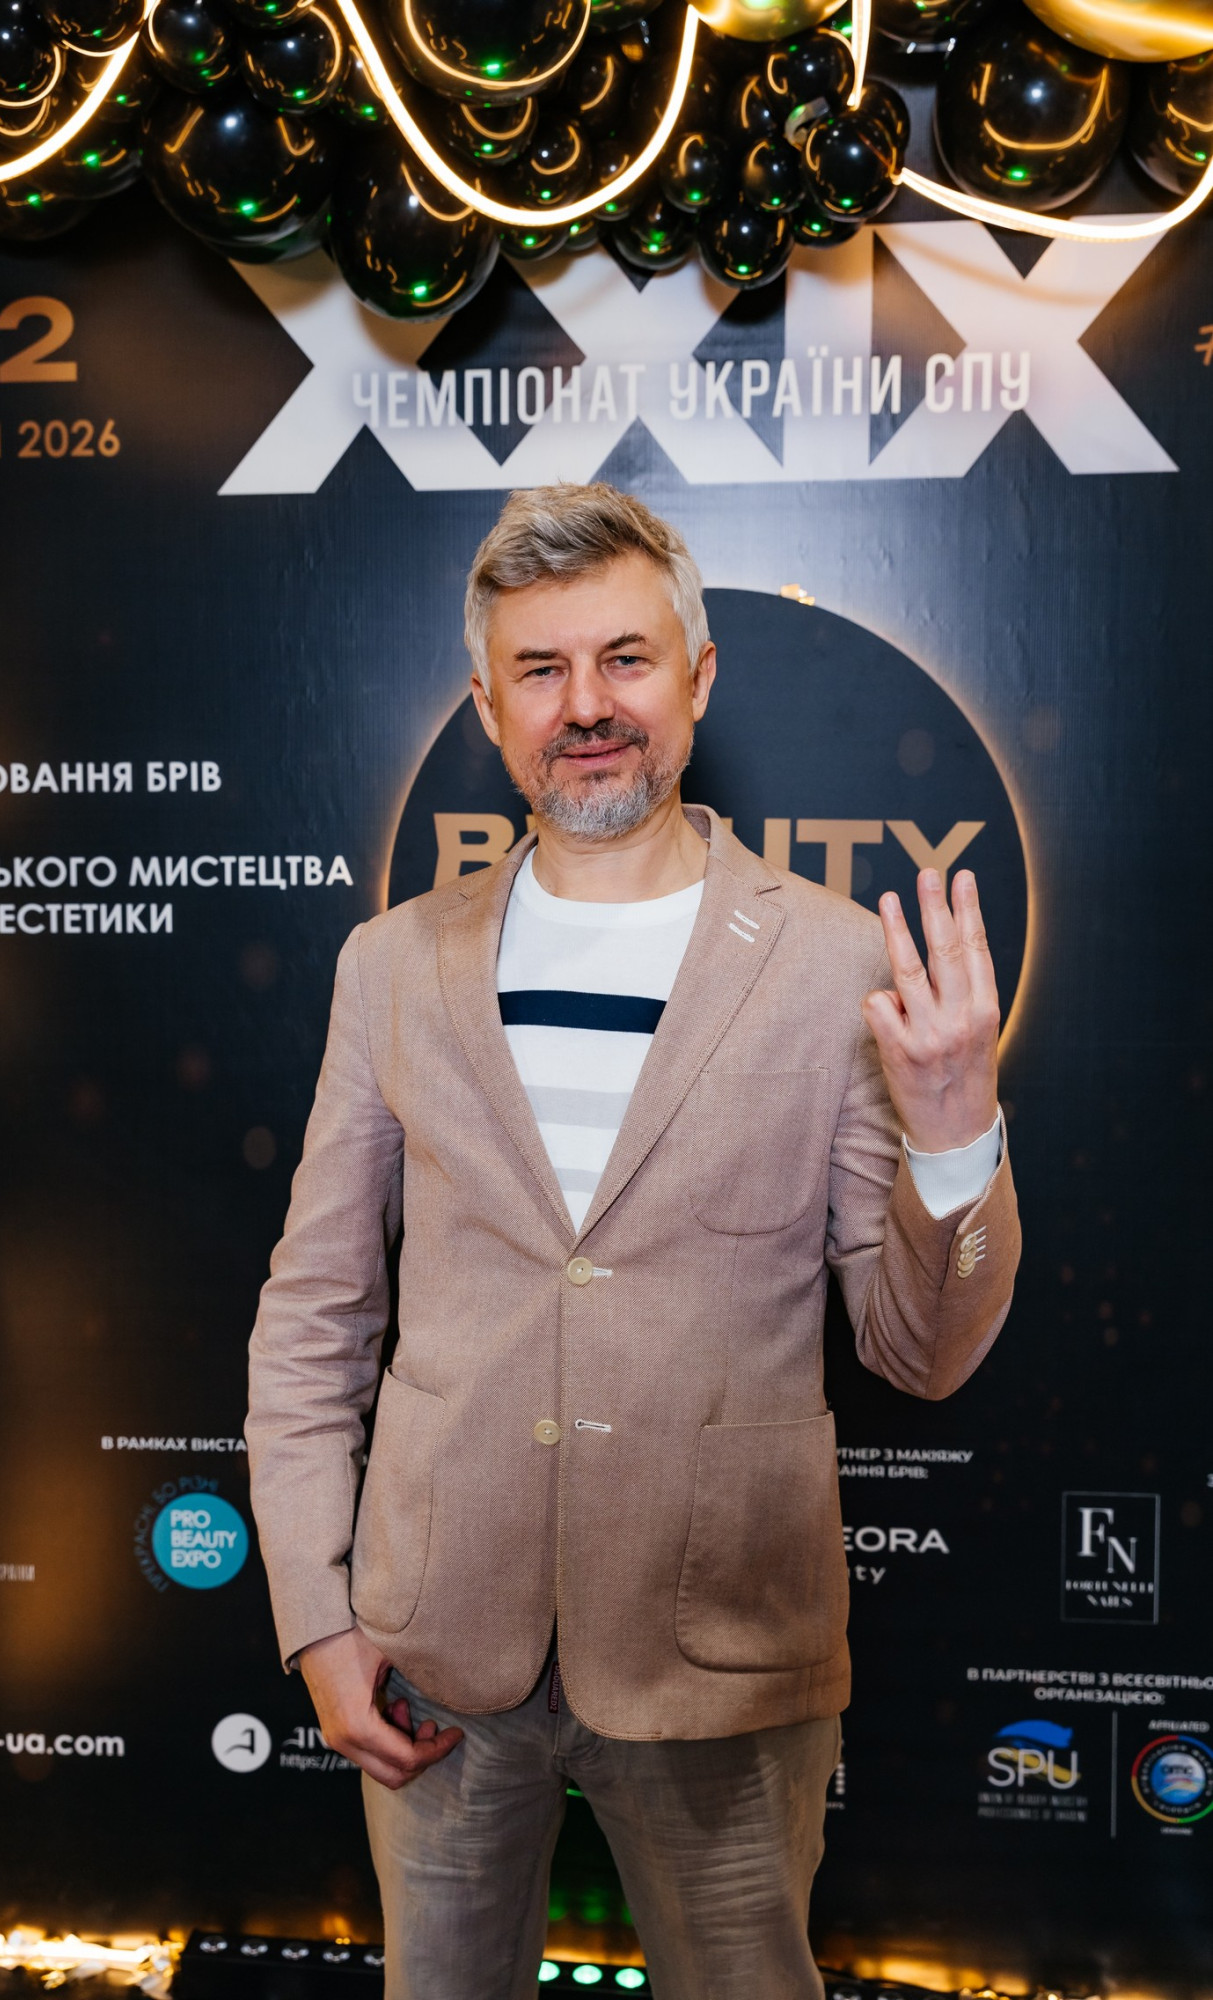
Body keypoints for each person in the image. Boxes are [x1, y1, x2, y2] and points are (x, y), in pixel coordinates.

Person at [246, 483, 1020, 2000]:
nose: (586, 706)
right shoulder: (391, 965)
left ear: (698, 677)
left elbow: (918, 1355)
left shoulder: (835, 964)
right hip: (435, 1651)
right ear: (488, 706)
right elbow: (314, 1313)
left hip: (723, 1655)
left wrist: (952, 1131)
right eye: (540, 671)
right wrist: (316, 1616)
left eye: (625, 659)